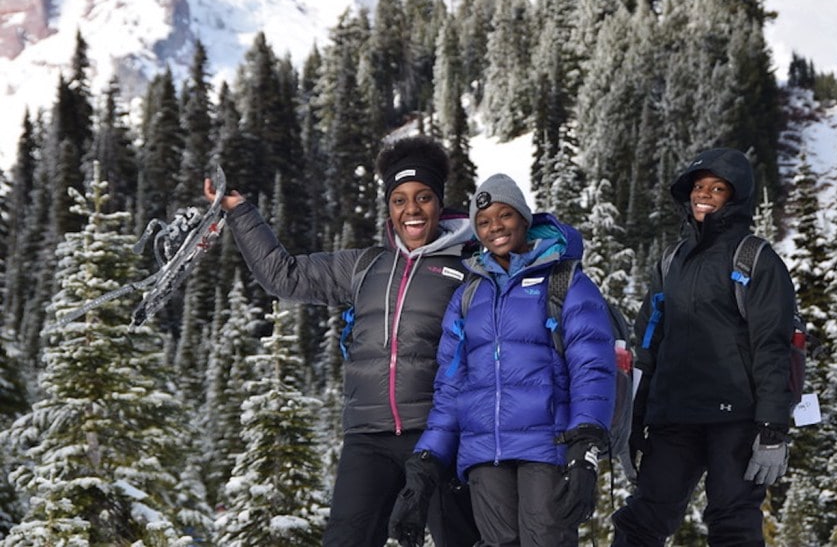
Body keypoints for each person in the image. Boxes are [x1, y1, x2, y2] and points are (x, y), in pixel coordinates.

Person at [204, 135, 479, 547]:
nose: (412, 210)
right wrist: (240, 213)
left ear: (439, 204)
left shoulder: (468, 267)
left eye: (423, 197)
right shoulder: (364, 266)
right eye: (399, 199)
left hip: (440, 435)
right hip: (368, 438)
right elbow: (285, 276)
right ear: (388, 207)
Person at [388, 173, 617, 547]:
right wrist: (425, 463)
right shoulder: (467, 296)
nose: (495, 227)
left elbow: (592, 367)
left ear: (524, 217)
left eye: (505, 215)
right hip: (484, 456)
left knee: (547, 540)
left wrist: (585, 440)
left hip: (547, 447)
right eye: (483, 221)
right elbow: (450, 390)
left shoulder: (565, 282)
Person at [611, 147, 796, 547]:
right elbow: (647, 346)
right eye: (698, 186)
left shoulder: (755, 259)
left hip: (737, 419)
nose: (704, 194)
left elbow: (772, 347)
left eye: (717, 188)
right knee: (642, 517)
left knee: (733, 523)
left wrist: (773, 429)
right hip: (673, 417)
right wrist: (630, 421)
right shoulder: (671, 262)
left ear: (736, 197)